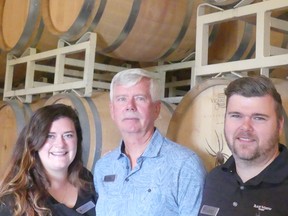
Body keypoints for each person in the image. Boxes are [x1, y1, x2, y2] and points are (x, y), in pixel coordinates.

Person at [93, 68, 206, 216]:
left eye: (140, 98)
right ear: (112, 110)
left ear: (156, 109)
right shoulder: (104, 166)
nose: (130, 106)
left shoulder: (184, 165)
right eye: (121, 99)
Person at [198, 76, 288, 216]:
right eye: (236, 116)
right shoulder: (215, 179)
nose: (246, 127)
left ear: (279, 125)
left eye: (259, 118)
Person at [0, 104, 97, 216]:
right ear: (35, 142)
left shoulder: (86, 179)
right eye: (50, 136)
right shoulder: (14, 201)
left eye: (68, 135)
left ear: (78, 140)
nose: (60, 144)